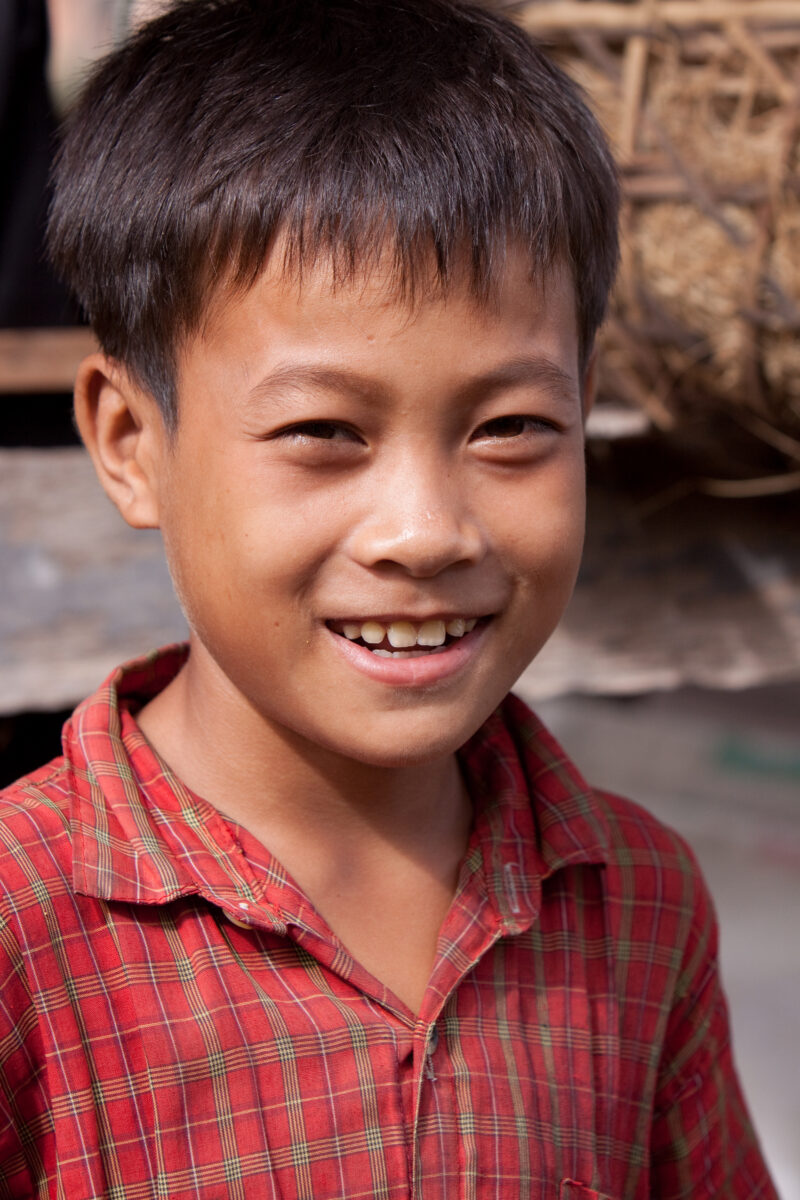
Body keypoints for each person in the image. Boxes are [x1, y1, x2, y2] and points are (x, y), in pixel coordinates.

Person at [0, 1, 777, 1195]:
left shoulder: (639, 908)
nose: (425, 531)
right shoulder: (23, 930)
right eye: (323, 431)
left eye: (511, 426)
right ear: (129, 440)